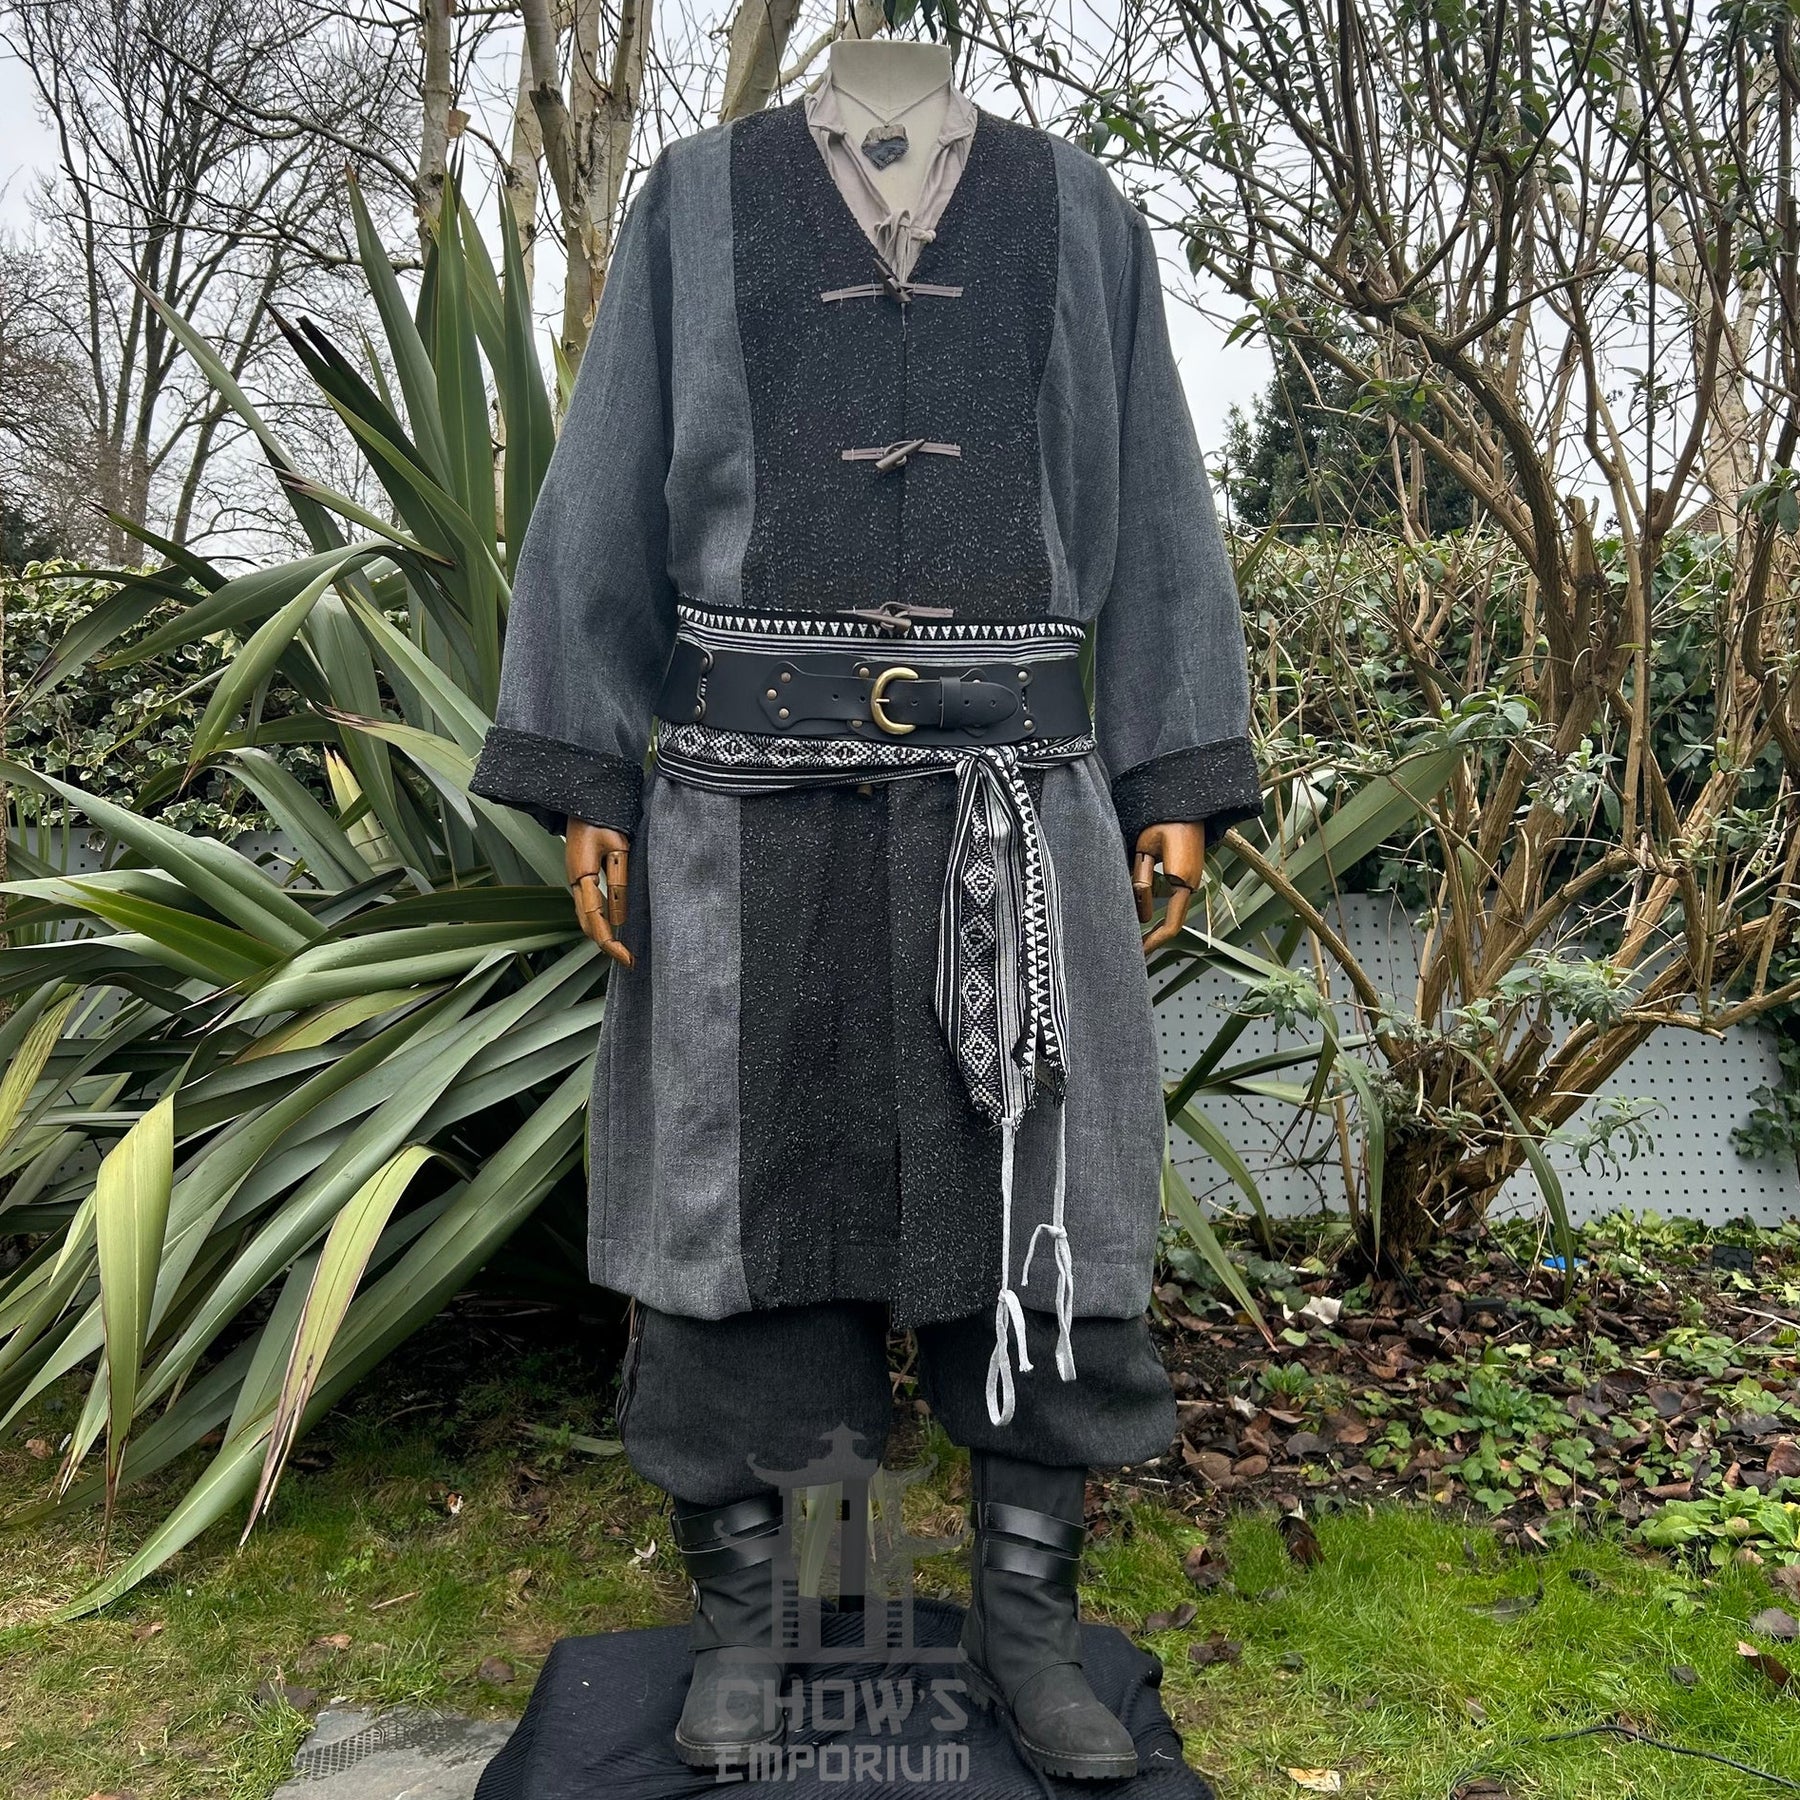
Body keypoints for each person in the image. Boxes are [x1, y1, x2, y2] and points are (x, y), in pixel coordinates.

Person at [470, 45, 1263, 1781]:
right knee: (737, 1210)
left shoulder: (1080, 210)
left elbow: (1156, 491)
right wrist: (589, 768)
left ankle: (1025, 1627)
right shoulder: (695, 201)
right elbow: (601, 481)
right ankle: (759, 1620)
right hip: (745, 812)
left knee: (1039, 1205)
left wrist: (1176, 768)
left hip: (1017, 802)